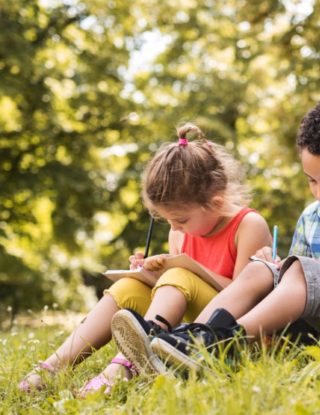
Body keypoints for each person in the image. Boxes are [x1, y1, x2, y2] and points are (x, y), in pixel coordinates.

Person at [137, 93, 320, 372]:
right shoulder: (311, 216)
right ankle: (194, 335)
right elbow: (296, 283)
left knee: (304, 270)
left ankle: (218, 342)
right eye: (311, 181)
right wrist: (275, 267)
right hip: (309, 322)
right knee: (261, 268)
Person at [18, 124, 271, 394]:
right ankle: (53, 367)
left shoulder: (249, 226)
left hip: (223, 331)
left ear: (216, 203)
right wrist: (150, 275)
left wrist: (187, 270)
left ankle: (124, 366)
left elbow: (248, 298)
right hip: (185, 322)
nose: (176, 227)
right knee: (128, 288)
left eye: (181, 220)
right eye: (169, 221)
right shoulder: (180, 232)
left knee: (179, 275)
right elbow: (177, 291)